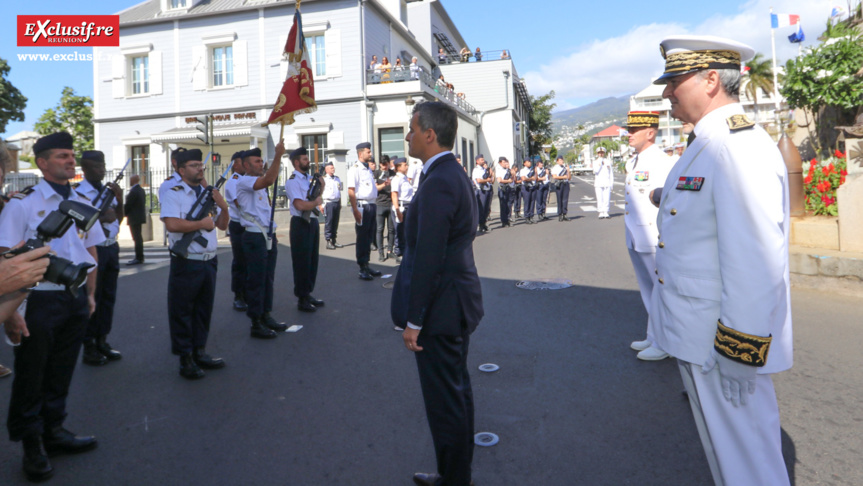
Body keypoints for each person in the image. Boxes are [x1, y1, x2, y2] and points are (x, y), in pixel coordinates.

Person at [650, 35, 793, 485]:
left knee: (749, 464)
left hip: (720, 343)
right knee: (727, 458)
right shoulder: (707, 142)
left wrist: (740, 350)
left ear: (711, 79)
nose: (667, 92)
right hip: (698, 334)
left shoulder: (736, 146)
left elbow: (755, 258)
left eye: (675, 81)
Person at [0, 132, 103, 482]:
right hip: (36, 298)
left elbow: (91, 250)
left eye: (72, 155)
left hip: (74, 295)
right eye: (62, 156)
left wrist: (90, 295)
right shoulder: (22, 204)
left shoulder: (82, 200)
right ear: (42, 163)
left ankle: (54, 432)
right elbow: (5, 258)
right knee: (32, 374)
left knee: (61, 370)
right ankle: (31, 444)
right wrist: (11, 313)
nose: (71, 160)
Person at [392, 101, 483, 486]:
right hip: (452, 303)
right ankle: (456, 474)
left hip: (441, 309)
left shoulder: (440, 180)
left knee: (446, 402)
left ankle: (454, 479)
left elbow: (429, 257)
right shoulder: (450, 173)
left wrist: (415, 320)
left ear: (429, 135)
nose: (407, 136)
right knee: (455, 394)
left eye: (412, 129)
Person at [161, 148, 228, 380]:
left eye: (201, 165)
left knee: (203, 310)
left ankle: (200, 351)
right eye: (194, 165)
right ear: (181, 170)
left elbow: (221, 225)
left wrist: (224, 206)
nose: (200, 168)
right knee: (182, 311)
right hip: (186, 261)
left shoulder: (209, 194)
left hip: (208, 261)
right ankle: (185, 359)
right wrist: (201, 223)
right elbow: (172, 224)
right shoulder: (174, 193)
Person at [620, 111, 672, 361]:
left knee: (661, 291)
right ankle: (653, 336)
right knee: (647, 290)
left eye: (634, 130)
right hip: (635, 234)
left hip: (653, 234)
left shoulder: (662, 161)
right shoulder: (634, 161)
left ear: (650, 132)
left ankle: (665, 343)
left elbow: (668, 199)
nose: (629, 134)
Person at [75, 150, 125, 366]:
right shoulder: (78, 193)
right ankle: (89, 347)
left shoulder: (108, 191)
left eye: (103, 166)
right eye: (97, 166)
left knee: (108, 297)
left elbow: (119, 219)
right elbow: (77, 223)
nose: (102, 170)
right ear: (85, 169)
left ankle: (102, 340)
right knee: (92, 297)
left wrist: (120, 201)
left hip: (111, 247)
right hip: (92, 249)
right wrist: (103, 218)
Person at [236, 146, 288, 338]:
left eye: (260, 161)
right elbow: (269, 180)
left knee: (268, 278)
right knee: (256, 280)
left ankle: (266, 314)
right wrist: (278, 155)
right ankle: (256, 322)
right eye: (256, 162)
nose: (261, 164)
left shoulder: (258, 183)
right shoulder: (244, 181)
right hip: (254, 236)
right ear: (246, 165)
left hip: (266, 235)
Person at [284, 147, 325, 313]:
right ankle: (302, 298)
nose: (308, 161)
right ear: (296, 162)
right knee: (302, 261)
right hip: (300, 223)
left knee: (312, 260)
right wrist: (315, 203)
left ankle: (308, 293)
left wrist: (321, 185)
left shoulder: (309, 178)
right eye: (304, 159)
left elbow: (317, 196)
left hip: (312, 221)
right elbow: (299, 205)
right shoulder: (292, 181)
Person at [223, 151, 248, 311]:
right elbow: (241, 204)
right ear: (235, 165)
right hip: (239, 225)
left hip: (249, 225)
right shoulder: (234, 182)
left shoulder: (247, 180)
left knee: (250, 261)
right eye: (242, 162)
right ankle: (238, 296)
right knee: (240, 262)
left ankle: (248, 293)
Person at [390, 157, 413, 264]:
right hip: (401, 206)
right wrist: (398, 210)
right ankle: (399, 252)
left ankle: (405, 252)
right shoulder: (397, 179)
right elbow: (394, 195)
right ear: (399, 167)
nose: (407, 166)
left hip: (408, 206)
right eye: (405, 165)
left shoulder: (404, 178)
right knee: (400, 230)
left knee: (406, 230)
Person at [374, 156, 397, 262]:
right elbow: (375, 188)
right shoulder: (376, 173)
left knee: (391, 229)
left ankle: (390, 251)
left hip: (390, 203)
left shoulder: (392, 173)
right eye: (382, 164)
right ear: (380, 164)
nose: (384, 166)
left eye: (386, 164)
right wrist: (384, 184)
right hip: (380, 204)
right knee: (380, 229)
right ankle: (381, 253)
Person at [124, 175, 147, 265]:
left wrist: (124, 213)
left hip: (134, 217)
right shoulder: (141, 190)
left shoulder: (134, 191)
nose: (129, 181)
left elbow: (128, 204)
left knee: (136, 238)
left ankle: (139, 257)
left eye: (130, 179)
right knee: (138, 237)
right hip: (139, 217)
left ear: (133, 180)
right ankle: (139, 257)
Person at [321, 162, 343, 249]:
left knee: (335, 222)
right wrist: (321, 205)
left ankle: (334, 240)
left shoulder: (337, 178)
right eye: (331, 168)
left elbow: (339, 191)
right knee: (329, 222)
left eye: (333, 168)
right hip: (328, 203)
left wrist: (340, 203)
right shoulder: (324, 179)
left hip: (336, 202)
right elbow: (320, 193)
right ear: (326, 170)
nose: (333, 169)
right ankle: (328, 241)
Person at [471, 155, 493, 232]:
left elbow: (489, 178)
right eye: (481, 160)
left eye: (483, 159)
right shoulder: (476, 170)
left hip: (487, 189)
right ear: (477, 161)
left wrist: (489, 173)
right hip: (481, 191)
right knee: (482, 209)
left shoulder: (484, 169)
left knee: (486, 209)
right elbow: (479, 180)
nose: (483, 161)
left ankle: (484, 224)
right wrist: (487, 180)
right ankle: (481, 225)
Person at [593, 146, 613, 218]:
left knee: (606, 198)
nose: (601, 154)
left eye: (602, 153)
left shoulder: (608, 161)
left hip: (607, 182)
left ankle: (606, 211)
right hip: (598, 183)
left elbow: (611, 173)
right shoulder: (595, 162)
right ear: (597, 154)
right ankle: (601, 212)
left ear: (604, 153)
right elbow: (596, 171)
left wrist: (611, 184)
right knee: (599, 198)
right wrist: (600, 164)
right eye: (599, 153)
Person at [496, 157, 515, 227]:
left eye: (506, 162)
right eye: (504, 162)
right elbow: (500, 180)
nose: (505, 164)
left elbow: (512, 179)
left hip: (508, 188)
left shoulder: (508, 170)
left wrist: (512, 174)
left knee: (508, 205)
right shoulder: (499, 170)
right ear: (500, 163)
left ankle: (507, 219)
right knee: (503, 205)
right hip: (502, 188)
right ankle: (504, 221)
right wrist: (508, 181)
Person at [551, 156, 571, 221]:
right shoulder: (555, 168)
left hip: (566, 183)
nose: (561, 161)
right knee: (559, 200)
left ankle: (565, 214)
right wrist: (563, 177)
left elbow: (569, 178)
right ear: (557, 161)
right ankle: (560, 214)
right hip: (559, 184)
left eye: (562, 160)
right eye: (560, 160)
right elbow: (554, 176)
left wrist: (568, 171)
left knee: (565, 200)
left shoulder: (565, 167)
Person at [518, 159, 538, 224]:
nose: (530, 163)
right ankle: (527, 217)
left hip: (533, 186)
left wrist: (530, 178)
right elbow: (523, 178)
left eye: (530, 161)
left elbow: (535, 178)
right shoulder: (522, 170)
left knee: (532, 202)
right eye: (528, 162)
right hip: (526, 187)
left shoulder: (532, 170)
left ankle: (531, 216)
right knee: (527, 202)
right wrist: (531, 178)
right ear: (524, 163)